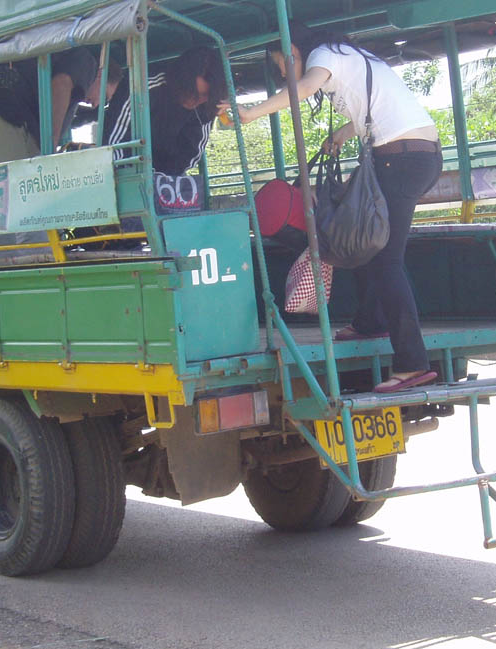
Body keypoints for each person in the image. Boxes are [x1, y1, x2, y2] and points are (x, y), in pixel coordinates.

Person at [230, 22, 442, 393]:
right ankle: (370, 321)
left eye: (282, 64)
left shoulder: (323, 56)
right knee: (365, 242)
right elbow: (377, 108)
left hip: (399, 160)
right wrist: (344, 133)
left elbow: (305, 87)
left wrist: (249, 113)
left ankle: (412, 363)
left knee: (383, 256)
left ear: (294, 51)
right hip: (418, 155)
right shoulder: (352, 57)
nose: (283, 72)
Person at [0, 46, 98, 257]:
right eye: (106, 94)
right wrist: (50, 142)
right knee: (30, 192)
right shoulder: (86, 59)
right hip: (5, 114)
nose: (96, 102)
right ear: (101, 74)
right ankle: (38, 262)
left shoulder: (51, 53)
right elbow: (61, 84)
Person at [100, 45, 225, 176]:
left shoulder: (206, 107)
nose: (198, 100)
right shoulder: (141, 88)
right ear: (181, 81)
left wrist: (162, 180)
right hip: (126, 177)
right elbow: (112, 145)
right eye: (193, 92)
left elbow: (190, 155)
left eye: (206, 96)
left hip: (166, 181)